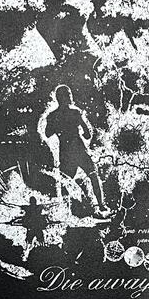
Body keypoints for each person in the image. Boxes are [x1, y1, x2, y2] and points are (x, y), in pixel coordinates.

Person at [37, 84, 110, 216]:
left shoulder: (53, 116)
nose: (70, 97)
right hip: (79, 150)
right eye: (68, 95)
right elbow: (87, 134)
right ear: (65, 97)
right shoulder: (75, 113)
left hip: (66, 152)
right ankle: (101, 205)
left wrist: (57, 127)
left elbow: (47, 133)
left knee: (66, 181)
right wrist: (78, 131)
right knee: (92, 176)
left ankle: (67, 210)